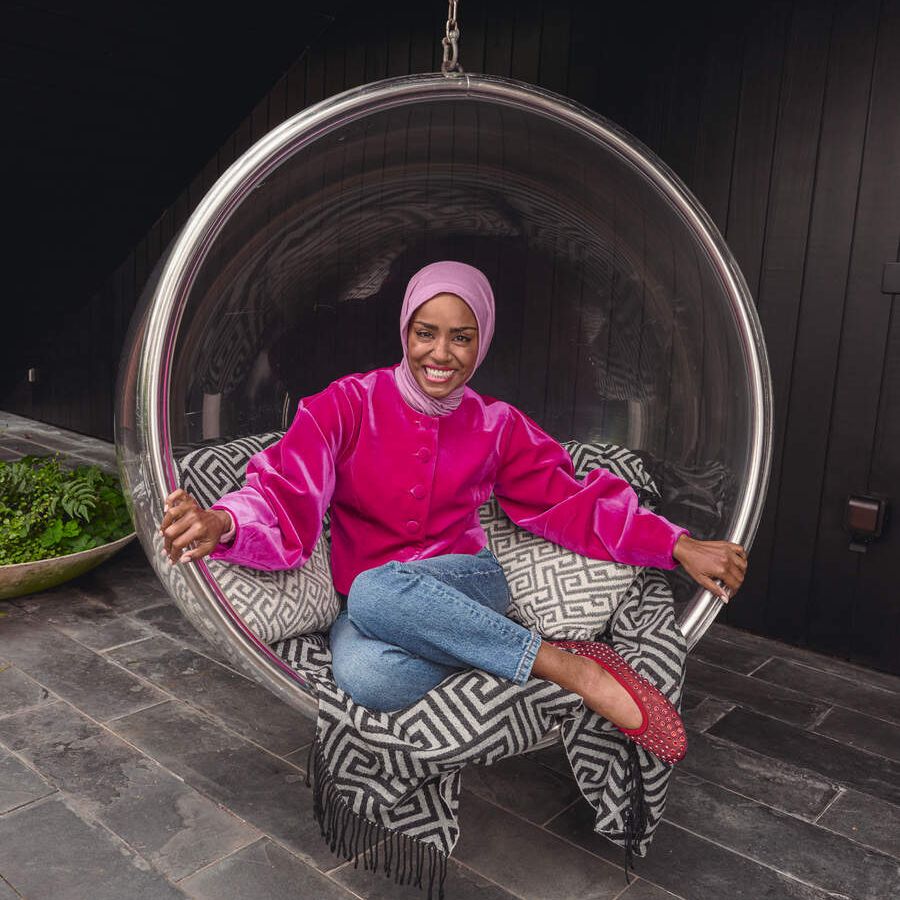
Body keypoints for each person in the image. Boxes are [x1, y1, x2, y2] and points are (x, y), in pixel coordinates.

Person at [159, 261, 747, 764]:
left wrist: (676, 544)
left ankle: (576, 671)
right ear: (404, 331)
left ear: (481, 341)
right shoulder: (343, 405)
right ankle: (522, 654)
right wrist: (222, 523)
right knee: (368, 678)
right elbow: (283, 489)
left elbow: (574, 501)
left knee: (369, 592)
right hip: (372, 604)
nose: (441, 354)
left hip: (467, 582)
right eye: (425, 333)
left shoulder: (498, 425)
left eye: (461, 337)